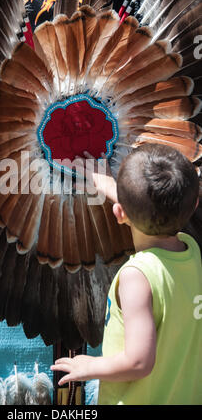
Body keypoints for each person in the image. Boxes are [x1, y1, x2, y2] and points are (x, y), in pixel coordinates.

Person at [51, 143, 202, 405]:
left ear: (119, 214)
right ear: (195, 202)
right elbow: (154, 205)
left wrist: (91, 366)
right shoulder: (192, 251)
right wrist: (110, 184)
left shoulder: (137, 277)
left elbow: (139, 362)